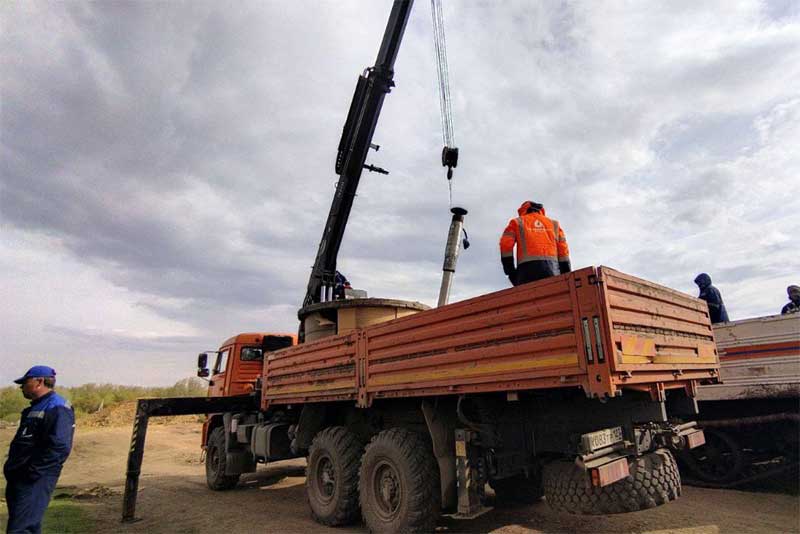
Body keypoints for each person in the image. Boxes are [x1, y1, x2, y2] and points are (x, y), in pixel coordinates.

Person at [4, 366, 75, 534]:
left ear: (39, 382)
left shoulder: (57, 407)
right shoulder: (35, 408)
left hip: (35, 478)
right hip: (21, 477)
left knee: (20, 529)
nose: (21, 387)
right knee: (27, 526)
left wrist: (34, 473)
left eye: (25, 382)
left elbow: (59, 446)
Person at [499, 200, 571, 286]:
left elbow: (505, 245)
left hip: (526, 272)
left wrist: (510, 272)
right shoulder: (554, 224)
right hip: (553, 270)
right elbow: (563, 251)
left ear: (523, 210)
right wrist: (566, 275)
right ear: (540, 210)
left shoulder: (517, 222)